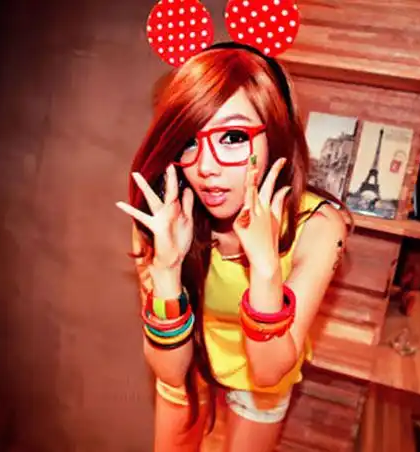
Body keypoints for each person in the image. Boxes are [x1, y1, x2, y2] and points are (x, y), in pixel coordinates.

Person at [116, 41, 350, 452]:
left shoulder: (318, 226)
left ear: (274, 135)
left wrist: (265, 267)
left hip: (266, 362)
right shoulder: (163, 220)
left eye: (233, 136)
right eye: (188, 142)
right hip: (192, 351)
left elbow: (269, 371)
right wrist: (167, 270)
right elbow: (170, 371)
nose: (205, 167)